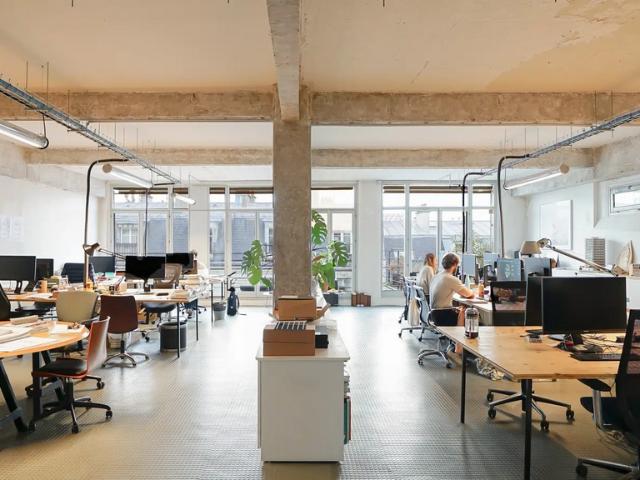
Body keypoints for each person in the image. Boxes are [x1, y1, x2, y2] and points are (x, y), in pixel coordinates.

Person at [429, 252, 475, 357]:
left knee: (460, 309)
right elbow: (469, 294)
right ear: (455, 265)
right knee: (468, 314)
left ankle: (459, 346)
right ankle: (461, 349)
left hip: (434, 314)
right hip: (442, 316)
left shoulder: (437, 276)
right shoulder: (450, 278)